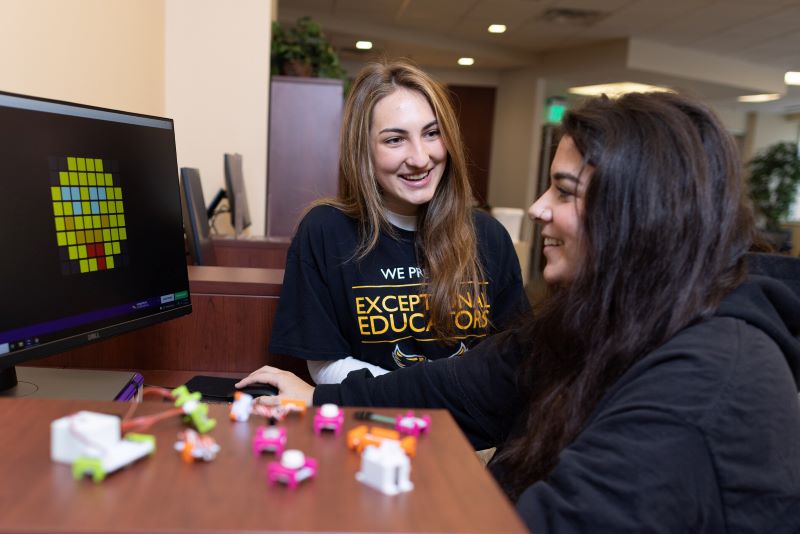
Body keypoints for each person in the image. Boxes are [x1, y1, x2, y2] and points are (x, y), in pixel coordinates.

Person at [239, 91, 800, 532]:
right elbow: (462, 385)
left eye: (563, 191)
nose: (536, 209)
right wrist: (322, 398)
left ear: (638, 215)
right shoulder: (607, 316)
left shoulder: (708, 380)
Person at [264, 60, 530, 384]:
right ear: (363, 151)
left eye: (432, 133)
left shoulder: (488, 235)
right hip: (375, 427)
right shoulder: (326, 231)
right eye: (395, 140)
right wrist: (429, 396)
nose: (420, 158)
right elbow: (325, 365)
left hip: (471, 432)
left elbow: (515, 361)